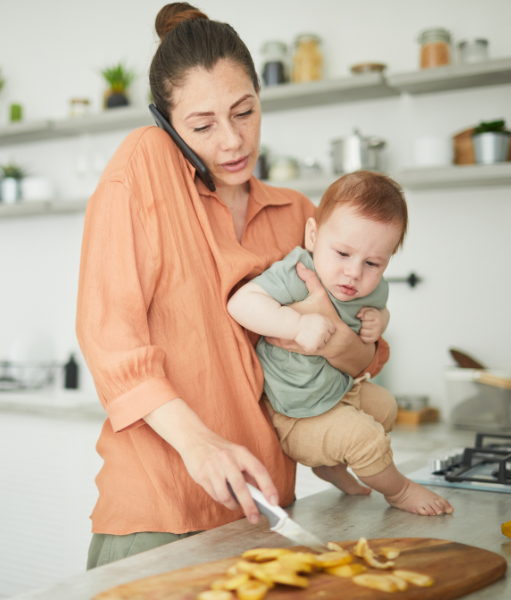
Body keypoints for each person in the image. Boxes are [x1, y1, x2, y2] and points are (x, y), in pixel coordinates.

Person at [76, 3, 389, 569]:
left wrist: (330, 336)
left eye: (244, 112)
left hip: (267, 511)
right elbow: (108, 337)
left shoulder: (298, 214)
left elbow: (362, 358)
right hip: (160, 509)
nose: (232, 140)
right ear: (167, 124)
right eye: (202, 125)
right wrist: (199, 442)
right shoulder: (144, 164)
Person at [228, 172, 454, 516]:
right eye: (343, 253)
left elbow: (379, 308)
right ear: (314, 236)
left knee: (387, 407)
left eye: (372, 263)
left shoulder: (372, 287)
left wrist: (382, 321)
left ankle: (330, 466)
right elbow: (241, 304)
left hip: (339, 390)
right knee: (364, 438)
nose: (353, 273)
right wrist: (297, 323)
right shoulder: (298, 273)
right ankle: (400, 490)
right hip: (295, 414)